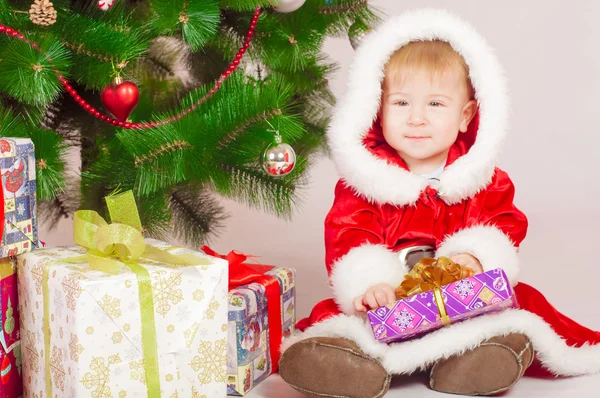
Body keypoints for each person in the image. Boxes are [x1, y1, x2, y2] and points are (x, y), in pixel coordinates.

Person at [277, 8, 600, 398]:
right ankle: (343, 364)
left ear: (466, 116)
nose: (416, 119)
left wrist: (474, 258)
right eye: (400, 104)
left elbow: (502, 224)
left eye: (435, 105)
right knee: (342, 318)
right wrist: (372, 284)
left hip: (459, 301)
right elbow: (350, 236)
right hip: (394, 302)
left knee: (519, 305)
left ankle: (476, 361)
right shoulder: (366, 183)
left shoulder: (480, 179)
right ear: (376, 110)